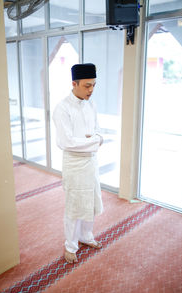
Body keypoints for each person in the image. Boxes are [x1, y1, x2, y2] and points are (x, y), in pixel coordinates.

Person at [52, 63, 103, 264]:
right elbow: (66, 142)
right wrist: (94, 141)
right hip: (74, 165)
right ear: (74, 83)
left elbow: (98, 131)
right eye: (87, 86)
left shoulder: (92, 104)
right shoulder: (62, 108)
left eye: (94, 85)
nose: (91, 90)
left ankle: (86, 236)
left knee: (90, 202)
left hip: (91, 163)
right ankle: (70, 246)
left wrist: (93, 139)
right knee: (74, 207)